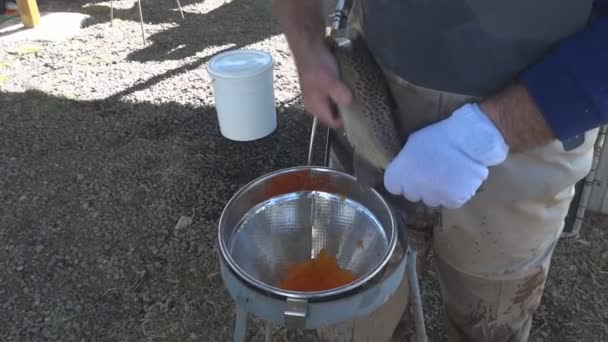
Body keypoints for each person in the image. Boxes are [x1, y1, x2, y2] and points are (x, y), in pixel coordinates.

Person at [271, 0, 608, 341]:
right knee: (354, 312)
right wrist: (306, 43)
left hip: (533, 124)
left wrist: (488, 134)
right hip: (370, 97)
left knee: (492, 321)